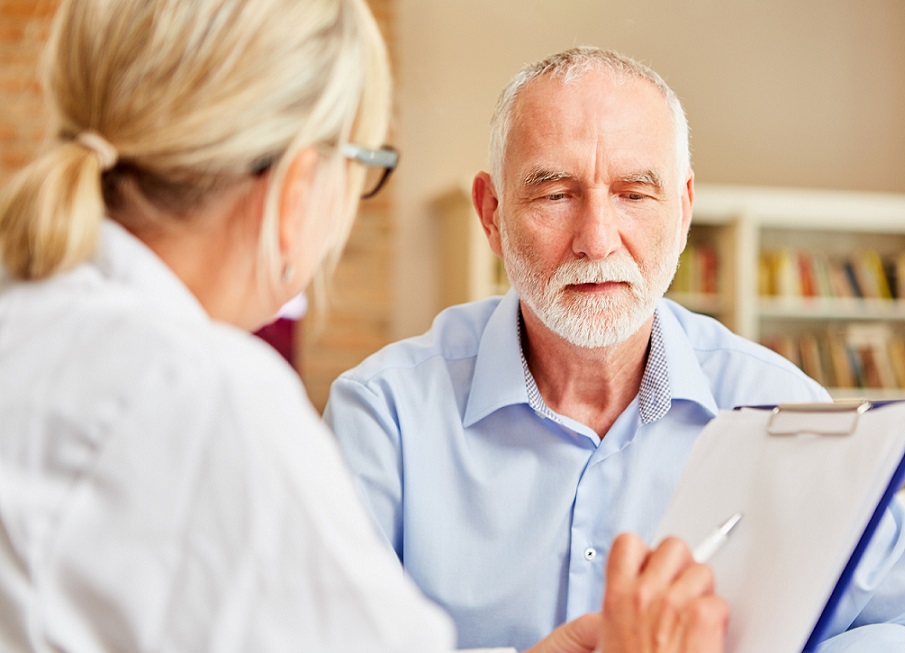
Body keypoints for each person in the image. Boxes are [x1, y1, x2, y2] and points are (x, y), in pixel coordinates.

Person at [0, 4, 729, 653]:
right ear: (296, 188)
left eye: (634, 192)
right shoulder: (212, 396)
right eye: (361, 164)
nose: (597, 237)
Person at [325, 46, 905, 651]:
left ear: (684, 210)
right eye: (555, 194)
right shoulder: (385, 416)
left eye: (635, 194)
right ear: (491, 214)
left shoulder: (785, 410)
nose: (597, 239)